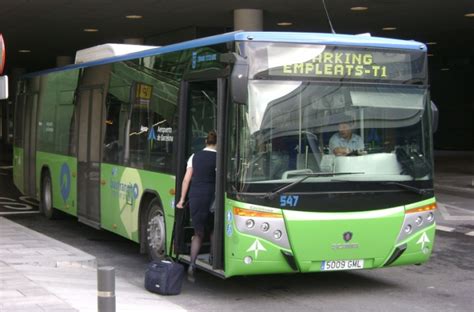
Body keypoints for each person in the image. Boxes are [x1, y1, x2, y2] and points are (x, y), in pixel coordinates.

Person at [176, 131, 217, 282]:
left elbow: (186, 180)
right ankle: (213, 259)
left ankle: (192, 265)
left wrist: (181, 200)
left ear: (206, 142)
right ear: (218, 143)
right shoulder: (220, 158)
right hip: (212, 198)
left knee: (198, 233)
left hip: (196, 197)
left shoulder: (194, 156)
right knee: (213, 230)